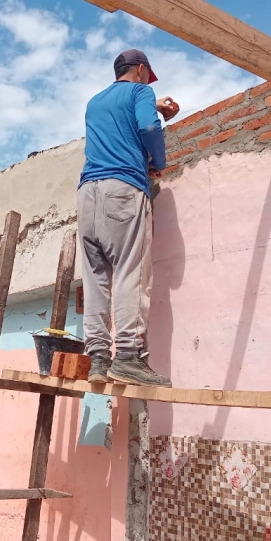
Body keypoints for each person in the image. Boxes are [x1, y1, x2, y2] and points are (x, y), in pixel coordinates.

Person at [78, 49, 180, 388]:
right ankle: (126, 358)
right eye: (146, 76)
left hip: (87, 194)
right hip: (123, 190)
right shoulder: (140, 92)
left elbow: (119, 128)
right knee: (130, 272)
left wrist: (156, 110)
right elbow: (147, 126)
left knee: (95, 279)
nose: (147, 82)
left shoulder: (94, 102)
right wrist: (160, 162)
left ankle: (97, 360)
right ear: (140, 70)